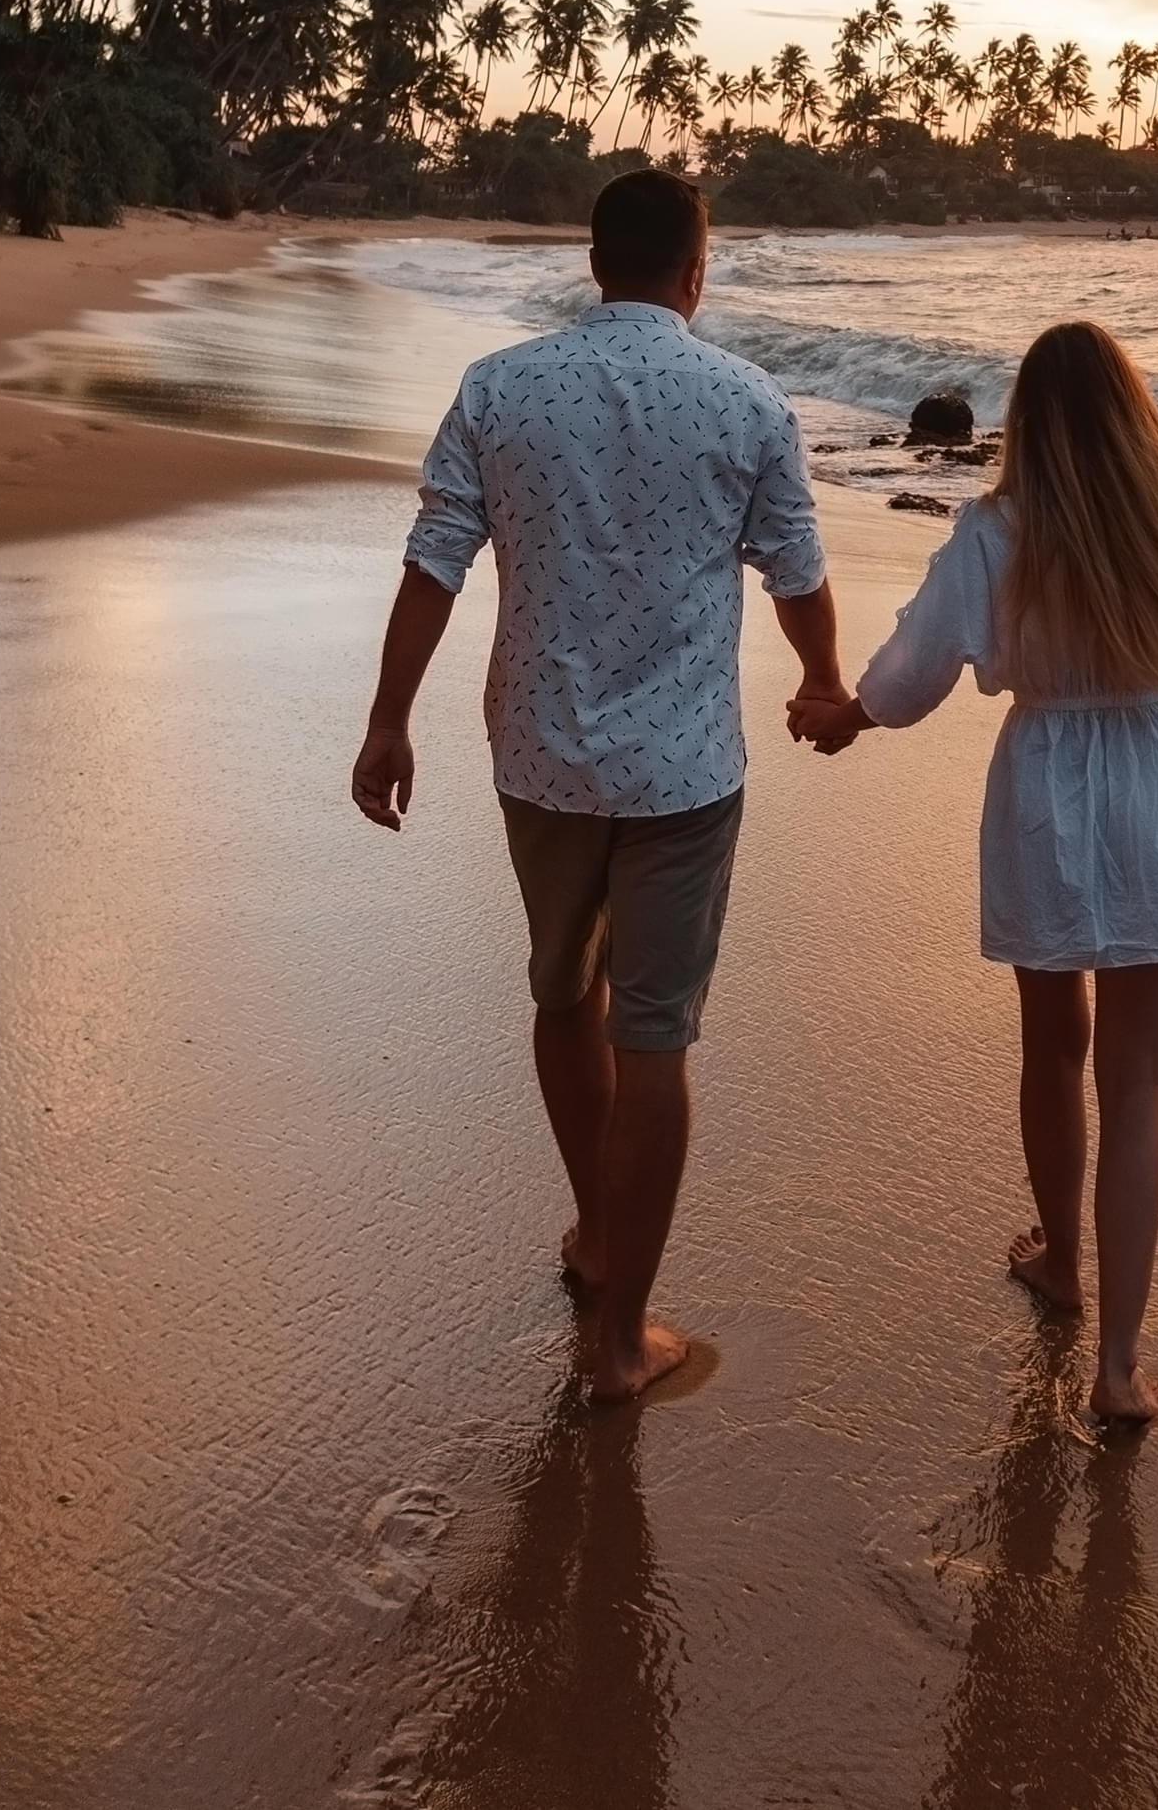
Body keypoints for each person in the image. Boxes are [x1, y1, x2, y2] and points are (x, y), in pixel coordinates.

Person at [357, 167, 842, 1400]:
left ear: (591, 264)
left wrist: (386, 724)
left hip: (540, 756)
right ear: (696, 270)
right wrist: (822, 683)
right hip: (683, 770)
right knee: (658, 1034)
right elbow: (794, 572)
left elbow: (434, 566)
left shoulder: (499, 387)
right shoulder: (746, 398)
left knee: (562, 992)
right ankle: (621, 1336)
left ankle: (595, 1227)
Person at [791, 319, 1158, 1426]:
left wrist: (846, 715)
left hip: (1044, 784)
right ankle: (1118, 1367)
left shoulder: (993, 533)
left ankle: (1060, 1257)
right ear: (1131, 414)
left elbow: (913, 674)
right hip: (1148, 776)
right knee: (1138, 1076)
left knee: (1052, 1043)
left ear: (1028, 424)